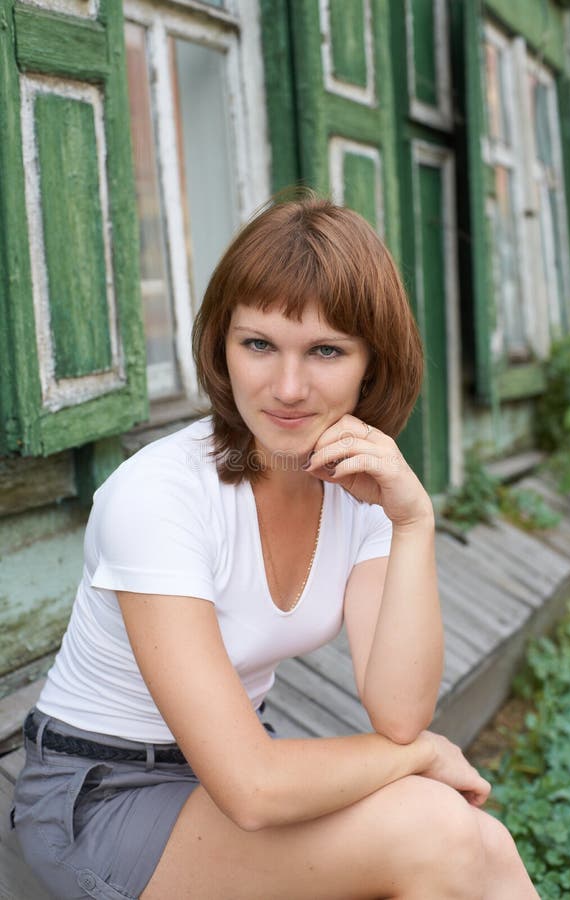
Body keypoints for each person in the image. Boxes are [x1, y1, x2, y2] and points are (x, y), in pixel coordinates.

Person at [12, 195, 539, 899]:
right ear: (222, 347)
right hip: (103, 794)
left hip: (231, 776)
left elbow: (398, 713)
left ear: (371, 363)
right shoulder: (159, 497)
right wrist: (421, 757)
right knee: (436, 830)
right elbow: (255, 787)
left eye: (326, 350)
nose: (288, 388)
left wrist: (413, 523)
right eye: (258, 344)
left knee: (484, 841)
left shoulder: (364, 486)